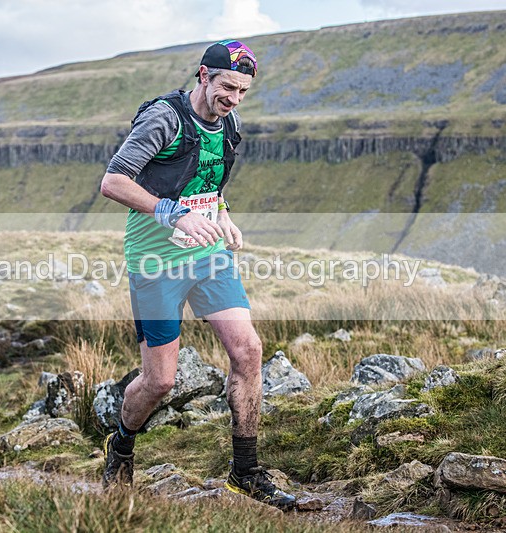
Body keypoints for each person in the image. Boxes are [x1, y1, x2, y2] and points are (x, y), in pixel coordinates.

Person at [99, 40, 296, 510]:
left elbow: (210, 181)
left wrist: (223, 212)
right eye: (228, 87)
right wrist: (173, 213)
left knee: (248, 350)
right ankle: (122, 443)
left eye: (244, 91)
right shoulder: (164, 119)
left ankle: (244, 472)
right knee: (160, 382)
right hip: (155, 259)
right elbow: (113, 181)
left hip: (207, 255)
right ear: (203, 76)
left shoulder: (230, 124)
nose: (235, 99)